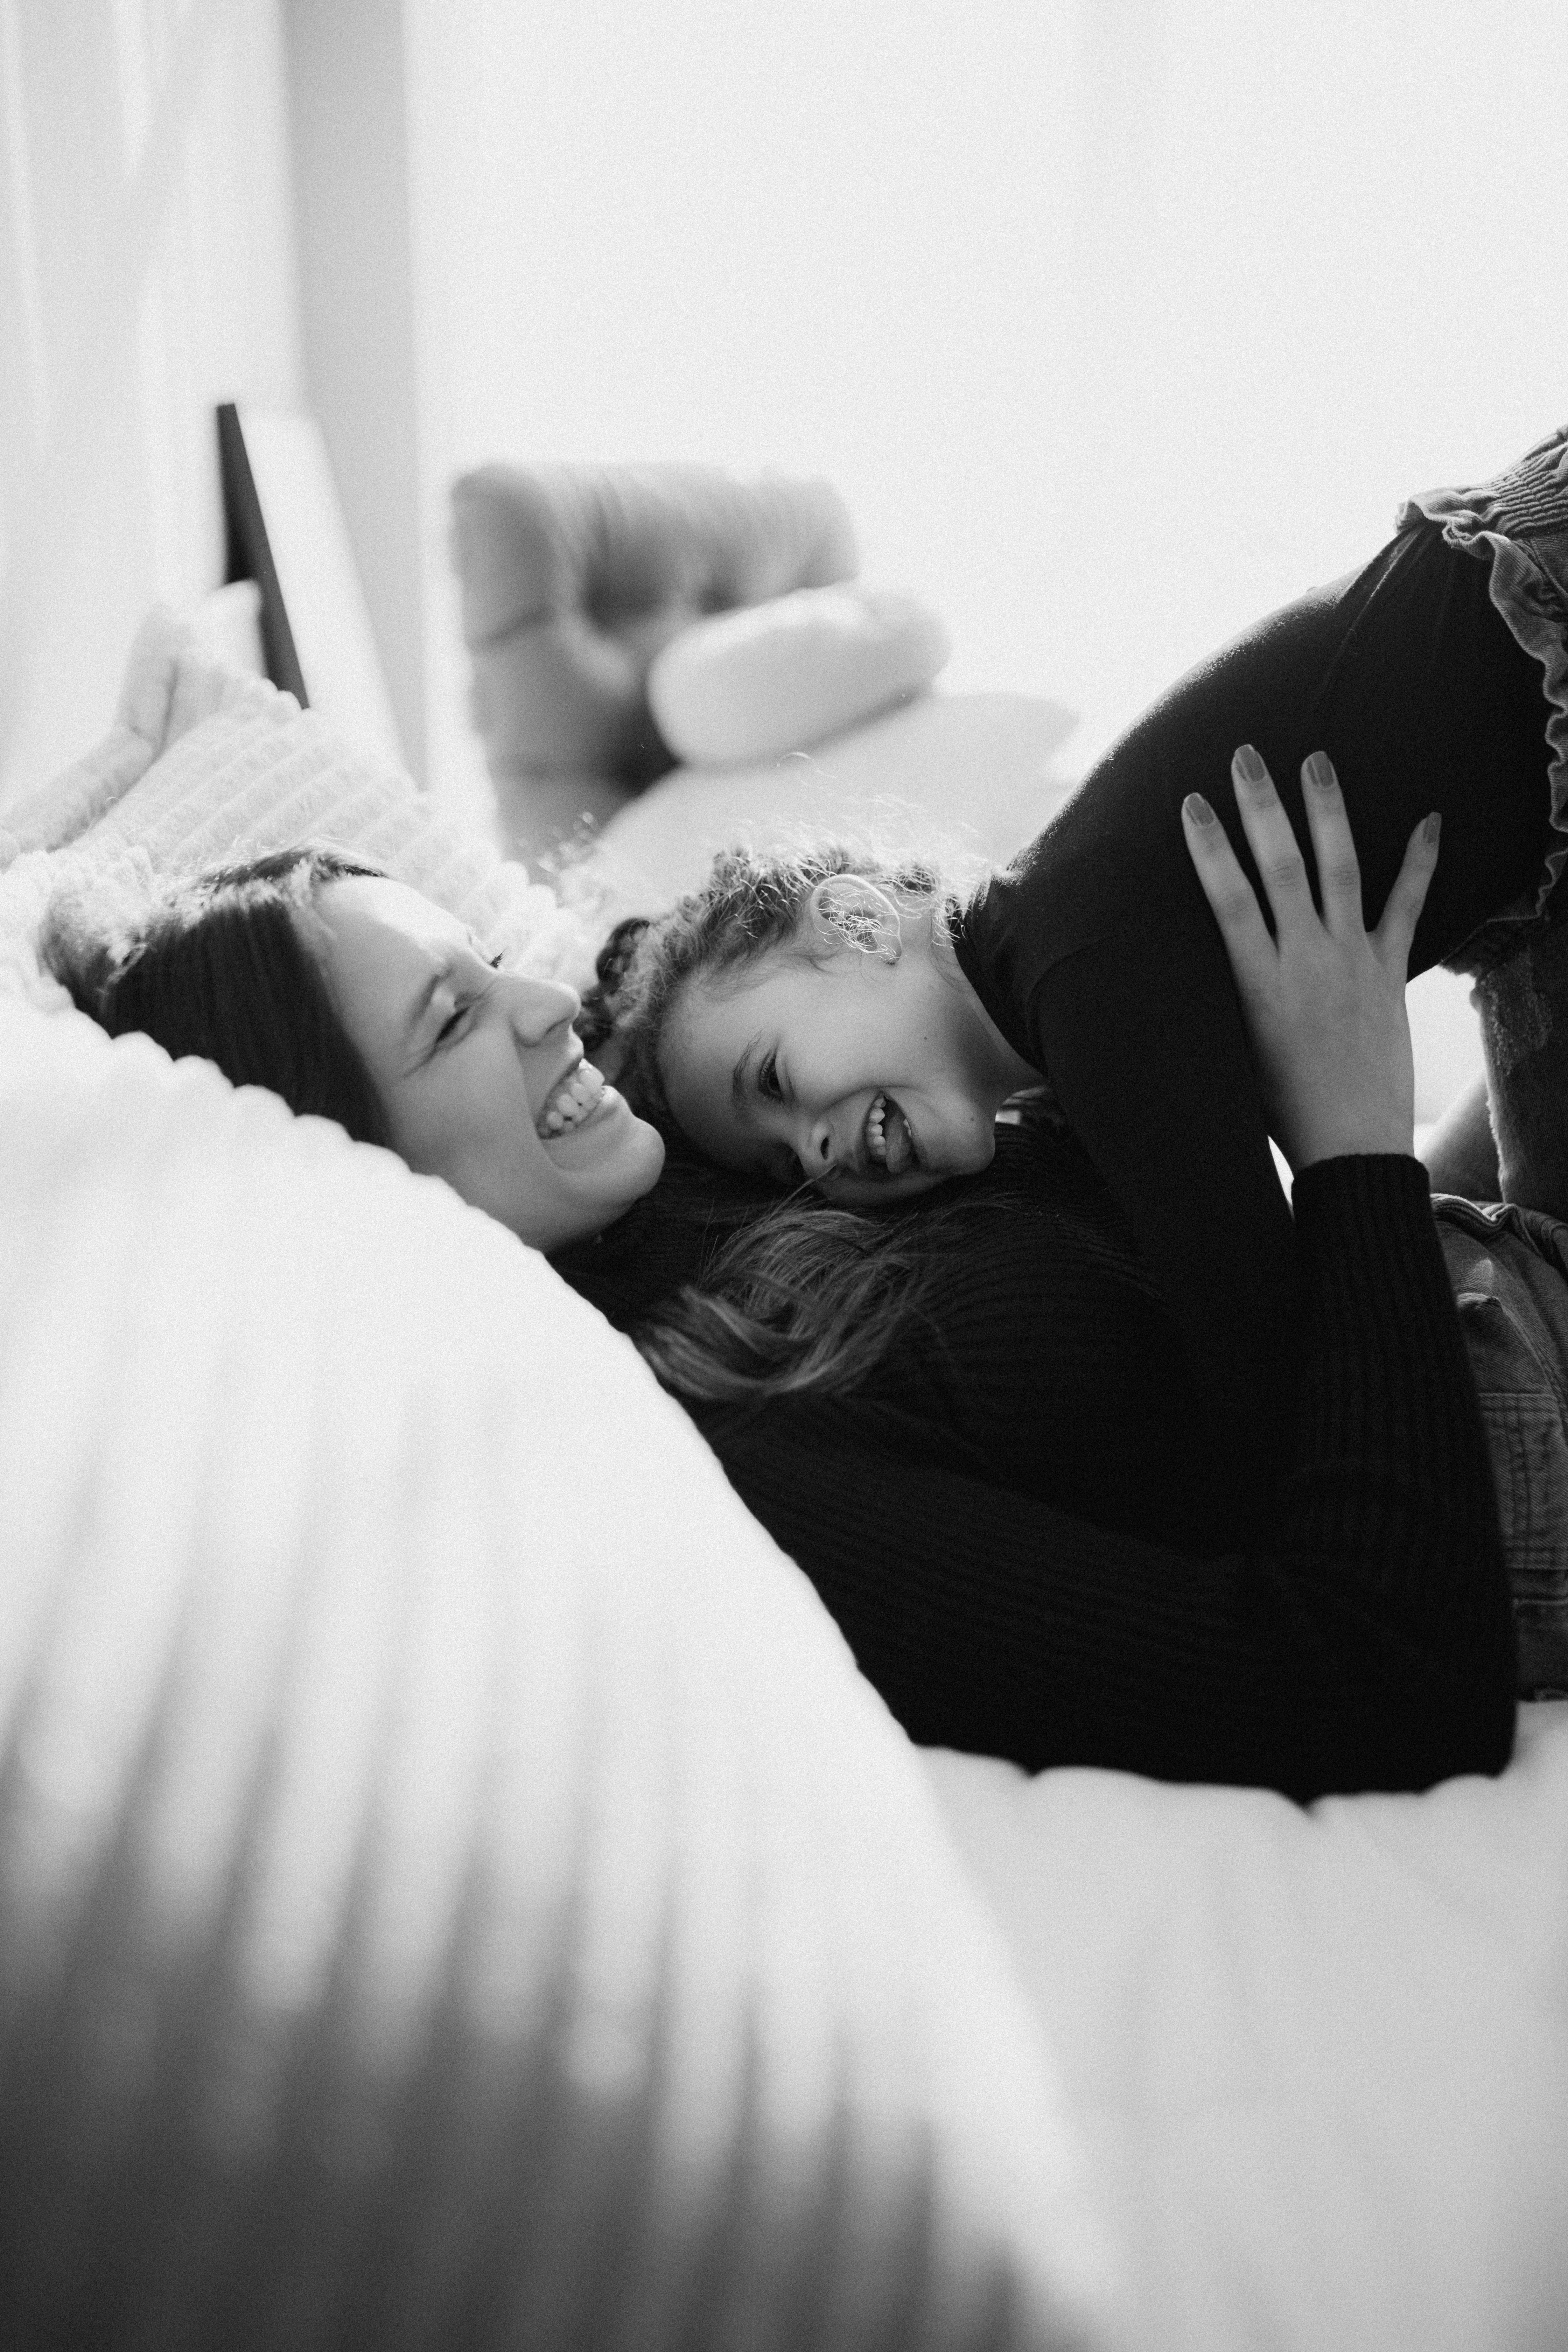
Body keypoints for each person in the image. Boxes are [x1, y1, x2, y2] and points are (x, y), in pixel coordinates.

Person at [43, 770, 1516, 1801]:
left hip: (1476, 1255)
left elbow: (691, 952)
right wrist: (1349, 1142)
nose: (544, 1005)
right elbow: (1378, 1684)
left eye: (491, 961)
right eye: (454, 1019)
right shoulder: (715, 1469)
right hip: (1481, 1427)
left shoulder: (657, 1147)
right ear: (361, 1183)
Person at [599, 422, 1568, 1547]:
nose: (813, 1150)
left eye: (775, 1079)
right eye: (779, 1163)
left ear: (859, 924)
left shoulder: (1087, 983)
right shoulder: (1068, 1005)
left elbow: (1267, 1362)